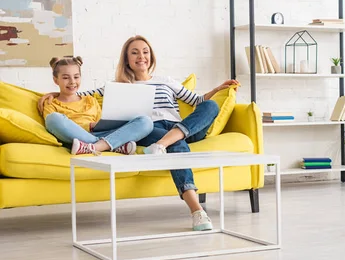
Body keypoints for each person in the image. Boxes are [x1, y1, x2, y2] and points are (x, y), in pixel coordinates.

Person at [39, 38, 239, 232]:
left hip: (183, 127)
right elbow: (78, 94)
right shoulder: (117, 85)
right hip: (152, 129)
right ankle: (197, 210)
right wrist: (54, 94)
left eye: (145, 52)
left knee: (210, 106)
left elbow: (196, 100)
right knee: (177, 146)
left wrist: (218, 89)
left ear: (151, 56)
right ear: (127, 59)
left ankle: (163, 144)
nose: (141, 56)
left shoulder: (165, 81)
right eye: (134, 53)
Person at [42, 55, 153, 155]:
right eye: (66, 78)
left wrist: (102, 125)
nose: (72, 81)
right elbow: (56, 128)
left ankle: (95, 146)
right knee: (53, 119)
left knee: (146, 121)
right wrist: (89, 126)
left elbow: (101, 124)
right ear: (56, 80)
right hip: (77, 136)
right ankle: (112, 146)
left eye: (76, 77)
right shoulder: (51, 103)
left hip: (102, 134)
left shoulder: (90, 100)